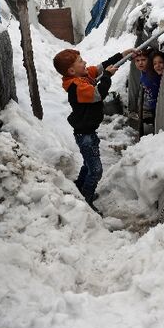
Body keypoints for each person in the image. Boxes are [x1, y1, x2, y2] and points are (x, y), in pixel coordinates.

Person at [52, 47, 133, 212]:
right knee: (96, 171)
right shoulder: (76, 86)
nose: (85, 63)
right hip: (85, 135)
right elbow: (98, 94)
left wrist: (122, 55)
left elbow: (100, 68)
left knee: (88, 166)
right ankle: (86, 202)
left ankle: (80, 190)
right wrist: (107, 77)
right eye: (81, 61)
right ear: (71, 70)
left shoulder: (82, 75)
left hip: (88, 132)